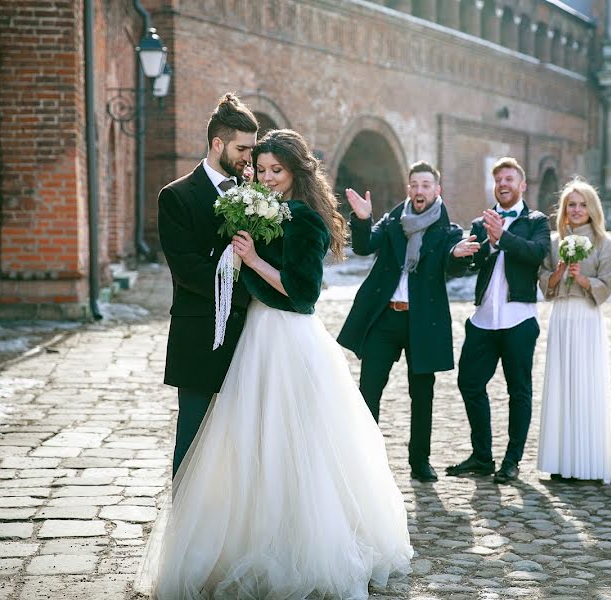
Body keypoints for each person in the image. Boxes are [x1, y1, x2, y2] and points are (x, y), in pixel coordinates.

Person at [142, 129, 413, 599]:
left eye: (277, 171)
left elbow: (304, 294)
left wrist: (251, 261)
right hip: (255, 336)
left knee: (298, 441)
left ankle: (307, 542)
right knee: (251, 438)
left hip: (289, 338)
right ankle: (252, 535)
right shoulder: (254, 204)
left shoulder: (305, 219)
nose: (267, 179)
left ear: (295, 172)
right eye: (261, 169)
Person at [337, 162, 479, 483]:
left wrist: (457, 255)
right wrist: (362, 219)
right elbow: (363, 246)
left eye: (426, 185)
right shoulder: (391, 222)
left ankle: (420, 461)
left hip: (423, 322)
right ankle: (364, 458)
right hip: (385, 317)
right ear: (408, 189)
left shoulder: (447, 232)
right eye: (414, 185)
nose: (419, 191)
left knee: (422, 394)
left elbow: (453, 260)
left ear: (436, 190)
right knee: (369, 389)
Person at [157, 92, 258, 478]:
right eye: (242, 148)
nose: (249, 157)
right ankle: (186, 526)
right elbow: (187, 269)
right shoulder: (177, 196)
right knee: (193, 438)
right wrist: (245, 286)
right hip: (199, 332)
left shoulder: (254, 195)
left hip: (249, 334)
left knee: (241, 440)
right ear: (218, 144)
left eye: (252, 148)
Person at [446, 157, 550, 484]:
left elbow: (536, 254)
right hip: (483, 318)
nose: (503, 184)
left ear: (522, 185)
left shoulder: (537, 221)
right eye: (498, 180)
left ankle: (512, 459)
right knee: (469, 383)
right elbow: (469, 265)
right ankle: (482, 456)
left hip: (519, 318)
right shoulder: (482, 222)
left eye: (509, 179)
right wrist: (459, 254)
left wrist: (503, 237)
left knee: (519, 390)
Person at [537, 178, 611, 483]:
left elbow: (606, 284)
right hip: (562, 316)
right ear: (564, 210)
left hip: (586, 317)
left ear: (592, 209)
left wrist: (583, 280)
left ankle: (589, 460)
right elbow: (544, 279)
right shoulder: (554, 243)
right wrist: (557, 274)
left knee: (586, 383)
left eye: (583, 204)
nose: (578, 209)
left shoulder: (604, 244)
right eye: (572, 204)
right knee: (561, 383)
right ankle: (560, 459)